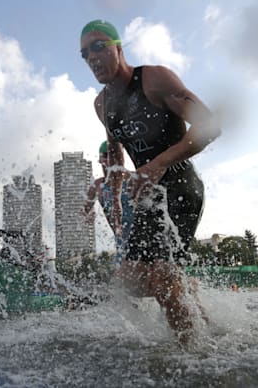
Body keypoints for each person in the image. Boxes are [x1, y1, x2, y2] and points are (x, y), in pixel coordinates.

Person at [80, 19, 221, 343]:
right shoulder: (102, 104)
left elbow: (209, 125)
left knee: (162, 279)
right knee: (128, 280)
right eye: (85, 54)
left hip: (181, 188)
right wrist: (117, 201)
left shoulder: (154, 79)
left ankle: (193, 354)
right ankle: (195, 304)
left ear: (118, 47)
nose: (92, 57)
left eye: (99, 46)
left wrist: (159, 163)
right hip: (149, 198)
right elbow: (115, 152)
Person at [83, 141, 133, 264]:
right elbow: (84, 210)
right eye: (106, 155)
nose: (111, 160)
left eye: (115, 155)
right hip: (121, 242)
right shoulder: (97, 186)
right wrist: (88, 214)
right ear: (100, 159)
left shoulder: (132, 178)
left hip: (140, 235)